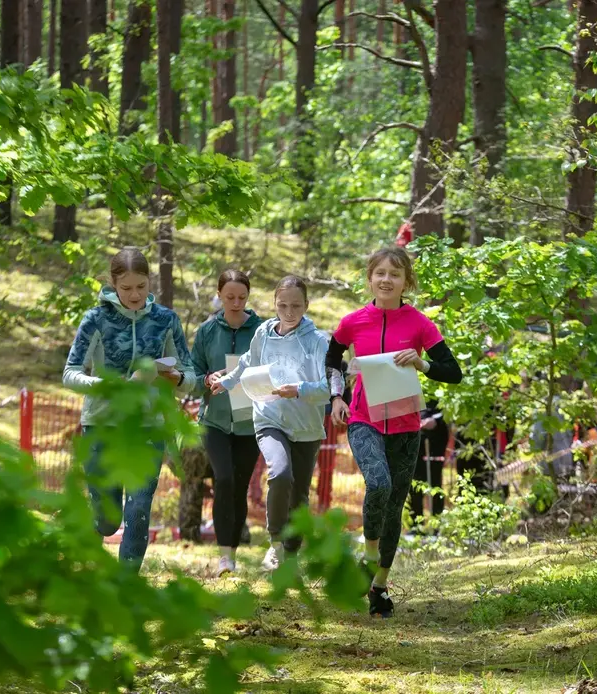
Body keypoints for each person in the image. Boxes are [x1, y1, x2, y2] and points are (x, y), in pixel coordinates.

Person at [326, 247, 463, 618]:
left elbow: (453, 371)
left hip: (406, 427)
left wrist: (421, 362)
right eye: (380, 273)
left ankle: (379, 587)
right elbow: (332, 358)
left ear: (407, 282)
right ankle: (368, 557)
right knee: (379, 484)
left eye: (395, 274)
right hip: (363, 419)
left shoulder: (420, 324)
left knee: (393, 508)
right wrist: (336, 396)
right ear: (370, 277)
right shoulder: (353, 321)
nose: (387, 280)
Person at [63, 247, 196, 571]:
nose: (135, 295)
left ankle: (126, 588)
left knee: (138, 510)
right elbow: (70, 373)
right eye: (126, 288)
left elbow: (189, 376)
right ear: (113, 284)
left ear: (150, 283)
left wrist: (167, 374)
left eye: (141, 286)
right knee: (108, 520)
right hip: (101, 422)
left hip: (148, 426)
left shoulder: (166, 320)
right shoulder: (95, 320)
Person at [212, 276, 330, 572]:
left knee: (300, 492)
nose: (289, 312)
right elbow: (247, 361)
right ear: (274, 304)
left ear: (306, 305)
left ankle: (291, 551)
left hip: (306, 426)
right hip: (269, 417)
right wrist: (228, 381)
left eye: (296, 306)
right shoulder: (264, 331)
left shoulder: (318, 341)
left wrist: (299, 389)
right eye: (282, 305)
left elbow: (328, 387)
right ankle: (275, 543)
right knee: (280, 473)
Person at [191, 269, 263, 576]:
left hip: (250, 421)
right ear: (219, 295)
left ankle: (232, 551)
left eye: (242, 297)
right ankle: (224, 558)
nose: (235, 303)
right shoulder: (207, 331)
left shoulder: (262, 330)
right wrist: (207, 380)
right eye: (229, 297)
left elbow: (273, 370)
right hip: (215, 421)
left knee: (240, 486)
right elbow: (192, 376)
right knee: (224, 479)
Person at [409, 399, 449, 526]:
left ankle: (437, 523)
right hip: (415, 443)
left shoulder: (439, 389)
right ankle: (416, 525)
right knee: (414, 485)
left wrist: (435, 421)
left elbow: (448, 410)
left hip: (435, 443)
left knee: (435, 483)